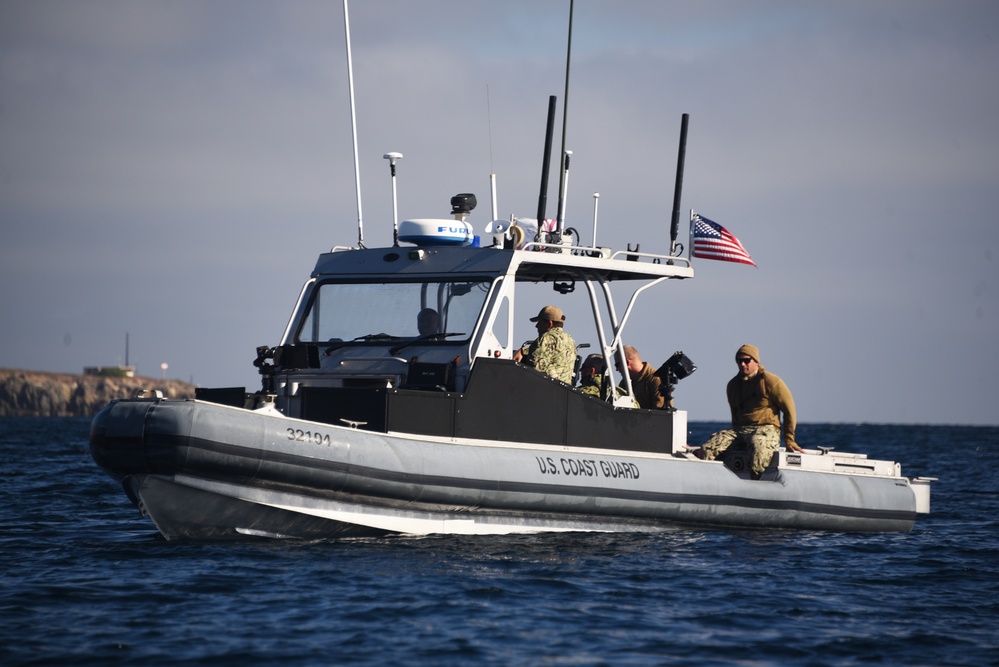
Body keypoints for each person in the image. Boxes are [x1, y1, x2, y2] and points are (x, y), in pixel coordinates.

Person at [696, 344, 804, 479]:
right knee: (709, 448)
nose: (742, 364)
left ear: (756, 362)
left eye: (747, 360)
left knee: (758, 444)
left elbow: (789, 411)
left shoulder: (771, 382)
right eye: (739, 361)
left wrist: (789, 440)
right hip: (740, 430)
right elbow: (735, 414)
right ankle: (712, 481)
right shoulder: (733, 385)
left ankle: (756, 482)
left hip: (766, 428)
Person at [513, 305, 576, 384]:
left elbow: (537, 367)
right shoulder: (570, 340)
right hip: (564, 392)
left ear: (549, 324)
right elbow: (552, 350)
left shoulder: (547, 338)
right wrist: (524, 351)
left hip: (547, 390)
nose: (537, 326)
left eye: (540, 322)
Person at [619, 345, 665, 409]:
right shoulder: (624, 383)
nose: (617, 369)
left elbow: (659, 412)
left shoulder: (655, 378)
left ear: (626, 362)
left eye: (617, 365)